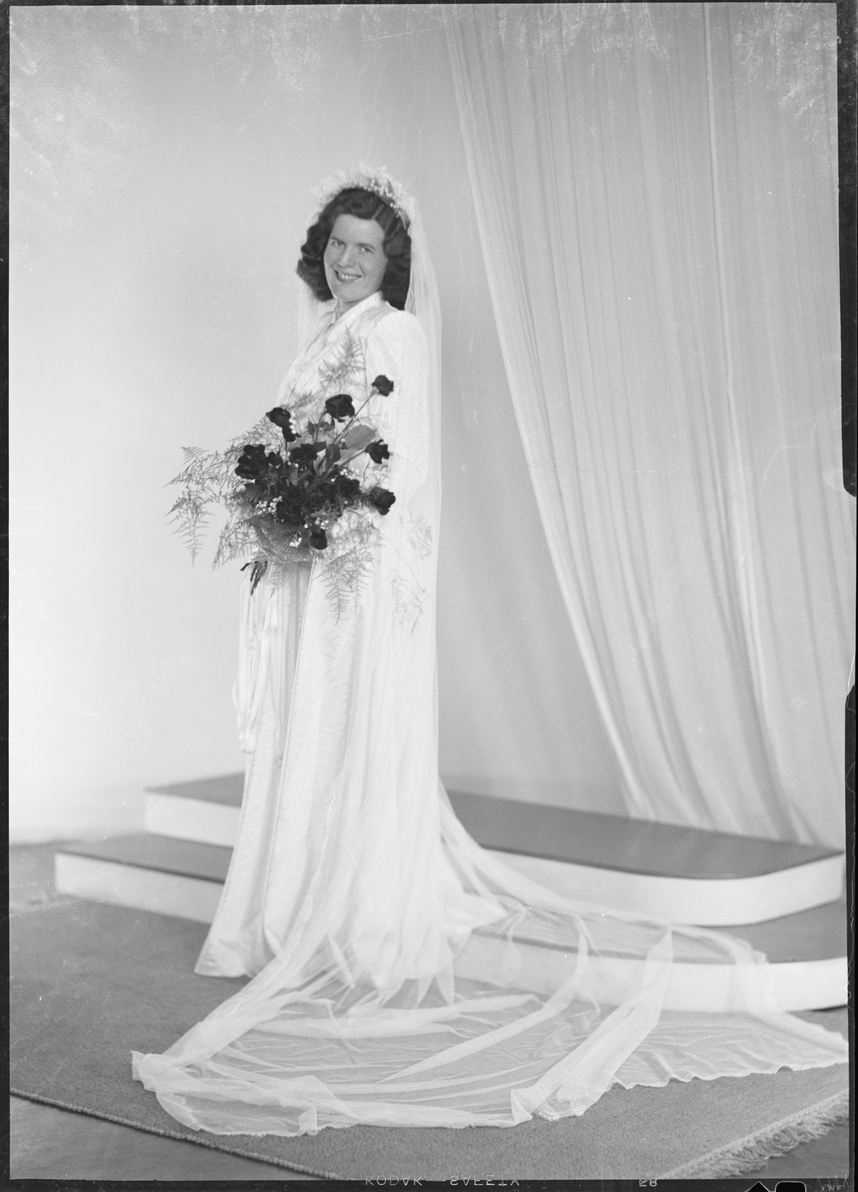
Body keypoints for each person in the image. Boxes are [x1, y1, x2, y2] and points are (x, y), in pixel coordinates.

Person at [132, 167, 846, 1136]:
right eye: (338, 243)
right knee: (311, 730)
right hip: (313, 570)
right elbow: (297, 440)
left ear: (392, 262)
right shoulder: (324, 334)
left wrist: (321, 520)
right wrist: (276, 508)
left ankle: (344, 913)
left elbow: (397, 461)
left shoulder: (396, 333)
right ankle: (289, 905)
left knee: (346, 725)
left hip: (356, 575)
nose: (347, 260)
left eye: (366, 248)